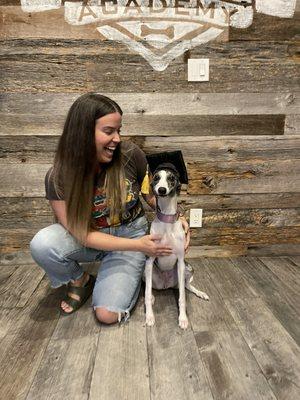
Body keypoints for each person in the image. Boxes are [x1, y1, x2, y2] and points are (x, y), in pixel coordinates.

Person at [30, 93, 190, 324]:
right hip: (91, 238)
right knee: (43, 244)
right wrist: (138, 246)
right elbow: (79, 233)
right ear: (83, 132)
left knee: (107, 315)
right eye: (109, 131)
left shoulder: (130, 154)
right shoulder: (58, 177)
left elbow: (152, 196)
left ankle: (113, 276)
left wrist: (178, 218)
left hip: (130, 233)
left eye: (119, 130)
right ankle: (80, 279)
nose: (117, 138)